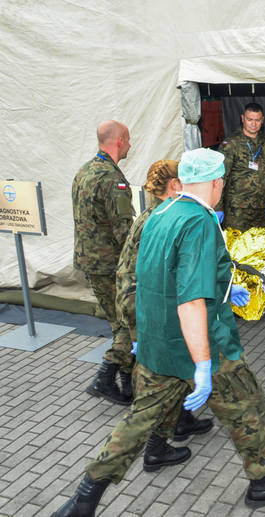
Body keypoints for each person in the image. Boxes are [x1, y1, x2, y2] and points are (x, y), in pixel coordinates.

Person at [53, 148, 265, 516]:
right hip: (202, 342)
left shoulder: (161, 213)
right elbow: (190, 301)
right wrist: (202, 365)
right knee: (249, 408)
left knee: (139, 420)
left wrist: (222, 288)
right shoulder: (199, 222)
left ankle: (84, 497)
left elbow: (155, 276)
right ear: (216, 183)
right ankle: (264, 482)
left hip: (159, 343)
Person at [113, 159, 213, 470]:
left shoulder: (161, 214)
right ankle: (155, 449)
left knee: (176, 371)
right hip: (148, 308)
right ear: (175, 185)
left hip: (153, 306)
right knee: (162, 381)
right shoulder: (161, 218)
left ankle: (181, 421)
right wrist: (137, 330)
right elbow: (139, 275)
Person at [73, 120, 135, 405]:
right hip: (111, 265)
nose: (130, 145)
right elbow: (124, 232)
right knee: (128, 325)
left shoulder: (84, 171)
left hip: (91, 262)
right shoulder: (112, 179)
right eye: (128, 139)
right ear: (119, 140)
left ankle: (128, 383)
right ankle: (104, 378)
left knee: (117, 322)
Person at [218, 102, 265, 231]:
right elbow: (220, 177)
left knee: (257, 242)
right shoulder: (231, 144)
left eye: (257, 120)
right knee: (236, 242)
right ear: (243, 118)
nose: (253, 124)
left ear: (262, 120)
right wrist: (218, 207)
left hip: (260, 209)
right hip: (236, 211)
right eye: (250, 119)